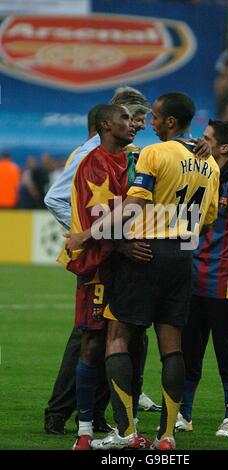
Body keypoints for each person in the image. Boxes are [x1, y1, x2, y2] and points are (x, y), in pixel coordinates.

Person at [68, 92, 220, 450]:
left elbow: (133, 206)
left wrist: (86, 234)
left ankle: (125, 432)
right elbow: (208, 220)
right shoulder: (210, 164)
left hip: (146, 252)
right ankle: (166, 437)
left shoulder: (154, 153)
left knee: (117, 338)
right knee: (172, 348)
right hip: (183, 255)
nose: (146, 124)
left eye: (153, 118)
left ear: (169, 122)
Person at [44, 87, 160, 436]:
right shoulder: (88, 156)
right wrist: (87, 235)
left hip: (113, 251)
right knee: (88, 338)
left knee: (115, 335)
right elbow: (56, 198)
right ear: (108, 123)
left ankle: (99, 413)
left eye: (140, 120)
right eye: (133, 119)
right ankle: (62, 414)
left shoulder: (125, 154)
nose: (138, 126)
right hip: (97, 255)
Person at [176, 120, 228, 437]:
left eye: (208, 138)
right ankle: (184, 414)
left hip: (222, 281)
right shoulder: (198, 174)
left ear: (223, 148)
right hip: (190, 279)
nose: (201, 140)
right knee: (188, 351)